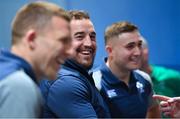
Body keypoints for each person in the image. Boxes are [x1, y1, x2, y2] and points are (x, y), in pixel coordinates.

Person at [0, 1, 72, 117]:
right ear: (32, 39)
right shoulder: (19, 87)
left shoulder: (5, 74)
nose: (69, 52)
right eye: (63, 41)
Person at [39, 10, 111, 118]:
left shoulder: (78, 74)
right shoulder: (66, 82)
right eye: (79, 36)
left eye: (92, 37)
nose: (88, 43)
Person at [92, 21, 160, 118]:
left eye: (139, 45)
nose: (137, 52)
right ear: (110, 51)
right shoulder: (95, 83)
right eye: (130, 46)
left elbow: (153, 108)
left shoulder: (144, 79)